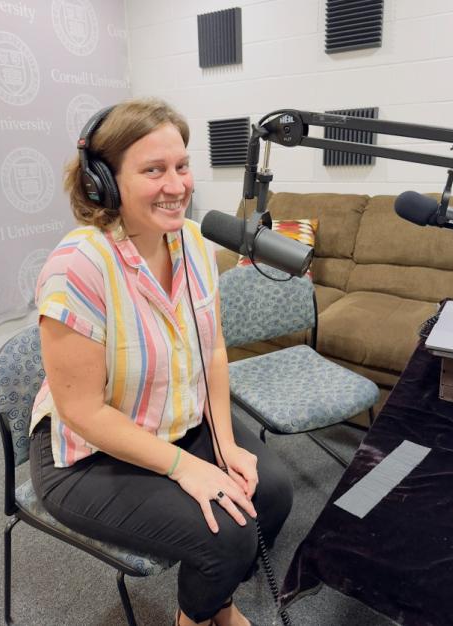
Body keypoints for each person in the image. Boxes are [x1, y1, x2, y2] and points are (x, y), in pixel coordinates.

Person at [29, 98, 293, 626]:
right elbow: (81, 410)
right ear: (103, 182)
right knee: (228, 532)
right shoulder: (77, 268)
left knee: (273, 490)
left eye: (181, 166)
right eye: (154, 170)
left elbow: (212, 348)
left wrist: (222, 443)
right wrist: (188, 467)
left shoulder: (193, 242)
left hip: (175, 418)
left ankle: (214, 604)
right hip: (86, 452)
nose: (177, 185)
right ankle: (193, 619)